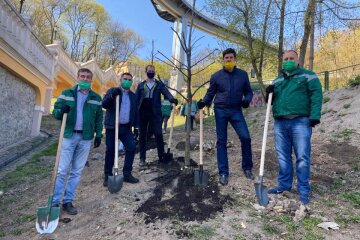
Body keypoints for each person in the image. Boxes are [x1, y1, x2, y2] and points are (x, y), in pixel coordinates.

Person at [265, 50, 323, 205]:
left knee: (302, 157)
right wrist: (268, 94)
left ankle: (303, 190)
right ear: (282, 62)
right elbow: (271, 102)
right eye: (285, 59)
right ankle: (284, 186)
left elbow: (316, 95)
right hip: (280, 123)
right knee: (283, 156)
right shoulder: (277, 80)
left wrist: (314, 116)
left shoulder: (308, 76)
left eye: (291, 58)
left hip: (300, 121)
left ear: (297, 60)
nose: (288, 61)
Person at [197, 48, 254, 185]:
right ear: (223, 60)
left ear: (235, 59)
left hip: (236, 110)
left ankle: (247, 167)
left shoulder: (243, 75)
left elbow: (249, 92)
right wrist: (204, 102)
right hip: (220, 110)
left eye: (231, 58)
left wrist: (247, 100)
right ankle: (223, 172)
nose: (228, 60)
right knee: (221, 141)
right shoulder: (216, 76)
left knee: (245, 137)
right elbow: (210, 93)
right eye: (226, 58)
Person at [52, 68, 103, 215]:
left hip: (85, 138)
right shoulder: (67, 94)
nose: (85, 79)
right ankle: (55, 202)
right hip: (69, 136)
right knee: (62, 171)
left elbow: (99, 118)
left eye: (88, 77)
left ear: (91, 80)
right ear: (77, 77)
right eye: (83, 76)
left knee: (76, 171)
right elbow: (55, 113)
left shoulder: (96, 98)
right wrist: (62, 110)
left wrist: (98, 134)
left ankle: (67, 201)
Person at [135, 64, 178, 166]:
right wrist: (135, 113)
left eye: (153, 71)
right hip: (143, 112)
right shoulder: (141, 85)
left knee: (158, 134)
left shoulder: (159, 84)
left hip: (155, 113)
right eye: (149, 70)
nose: (151, 72)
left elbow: (165, 92)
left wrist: (172, 99)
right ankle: (142, 159)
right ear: (146, 72)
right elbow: (136, 99)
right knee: (142, 136)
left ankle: (161, 156)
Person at [102, 72, 140, 186]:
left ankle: (127, 174)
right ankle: (108, 175)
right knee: (111, 151)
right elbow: (104, 104)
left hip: (126, 128)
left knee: (131, 147)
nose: (127, 81)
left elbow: (135, 112)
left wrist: (136, 127)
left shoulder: (133, 96)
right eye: (125, 79)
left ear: (131, 82)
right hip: (112, 127)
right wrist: (112, 95)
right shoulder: (113, 91)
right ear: (120, 80)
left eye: (129, 79)